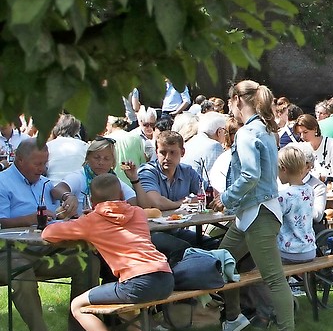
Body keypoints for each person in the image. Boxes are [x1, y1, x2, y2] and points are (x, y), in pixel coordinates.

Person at [42, 174, 174, 331]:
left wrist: (80, 218)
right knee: (128, 306)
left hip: (136, 281)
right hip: (165, 278)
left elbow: (48, 234)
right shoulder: (138, 213)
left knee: (78, 306)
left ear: (93, 202)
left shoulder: (91, 221)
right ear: (122, 194)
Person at [212, 79, 296, 331]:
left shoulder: (248, 133)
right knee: (221, 260)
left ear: (237, 100)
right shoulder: (264, 130)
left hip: (258, 213)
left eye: (229, 103)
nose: (229, 109)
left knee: (274, 279)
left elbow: (250, 175)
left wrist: (225, 198)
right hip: (253, 212)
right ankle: (234, 318)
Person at [0, 140, 87, 331]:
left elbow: (56, 191)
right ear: (19, 160)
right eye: (37, 164)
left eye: (45, 164)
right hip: (10, 252)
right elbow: (1, 221)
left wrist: (68, 200)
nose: (42, 169)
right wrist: (30, 218)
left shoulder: (44, 183)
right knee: (20, 271)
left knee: (87, 260)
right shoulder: (2, 182)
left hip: (45, 250)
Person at [137, 130, 215, 262]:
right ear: (156, 152)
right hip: (150, 233)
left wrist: (211, 198)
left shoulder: (187, 171)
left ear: (182, 152)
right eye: (163, 152)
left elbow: (209, 193)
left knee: (212, 244)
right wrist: (184, 203)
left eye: (172, 152)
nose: (167, 157)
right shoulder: (147, 171)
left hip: (176, 230)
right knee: (183, 248)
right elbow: (156, 203)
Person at [61, 137, 140, 216]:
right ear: (88, 158)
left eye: (106, 159)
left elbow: (137, 204)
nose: (101, 162)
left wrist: (134, 179)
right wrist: (68, 196)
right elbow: (57, 189)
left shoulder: (114, 181)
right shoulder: (80, 176)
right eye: (96, 158)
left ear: (113, 162)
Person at [275, 144, 317, 264]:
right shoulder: (309, 190)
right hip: (309, 249)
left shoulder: (284, 196)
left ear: (284, 169)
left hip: (290, 252)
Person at [293, 113, 333, 186]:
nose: (302, 136)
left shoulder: (332, 145)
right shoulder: (302, 148)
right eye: (300, 133)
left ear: (315, 129)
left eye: (305, 132)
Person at [185, 111, 228, 184]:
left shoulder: (190, 141)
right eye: (225, 131)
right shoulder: (214, 146)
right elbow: (213, 180)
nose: (226, 134)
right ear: (219, 131)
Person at [45, 114, 87, 185]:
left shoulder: (48, 146)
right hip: (77, 188)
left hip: (51, 186)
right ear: (77, 130)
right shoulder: (84, 146)